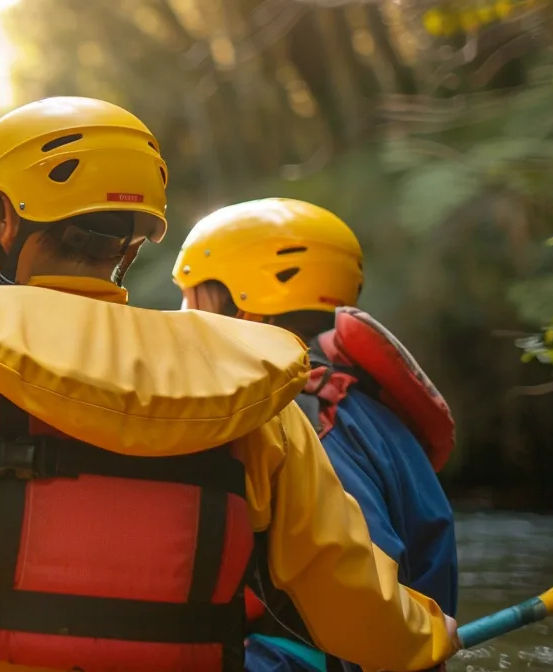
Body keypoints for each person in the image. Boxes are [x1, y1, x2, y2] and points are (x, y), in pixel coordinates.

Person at [0, 96, 461, 672]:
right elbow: (361, 618)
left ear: (3, 220)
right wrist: (433, 633)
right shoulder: (253, 395)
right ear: (132, 244)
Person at [172, 198, 460, 672]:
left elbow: (363, 585)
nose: (183, 312)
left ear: (240, 301)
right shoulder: (376, 413)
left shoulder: (290, 415)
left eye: (194, 294)